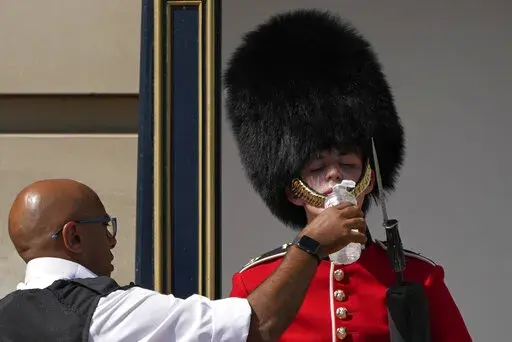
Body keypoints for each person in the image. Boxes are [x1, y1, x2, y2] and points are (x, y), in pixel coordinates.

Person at [224, 9, 472, 342]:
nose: (336, 176)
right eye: (316, 168)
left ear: (369, 176)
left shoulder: (420, 277)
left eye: (349, 163)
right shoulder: (255, 282)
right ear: (294, 190)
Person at [0, 178, 368, 341]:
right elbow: (256, 325)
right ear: (73, 236)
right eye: (104, 227)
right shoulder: (110, 314)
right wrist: (309, 245)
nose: (112, 241)